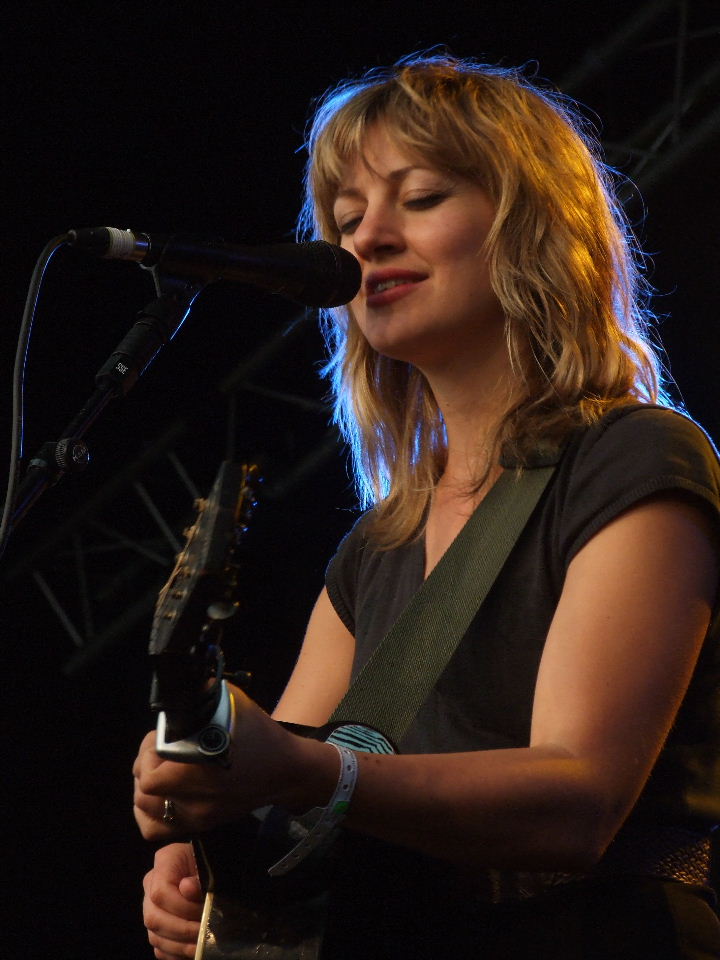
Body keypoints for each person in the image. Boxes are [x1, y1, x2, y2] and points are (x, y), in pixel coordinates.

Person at [133, 54, 720, 958]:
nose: (365, 239)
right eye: (346, 218)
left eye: (421, 197)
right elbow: (285, 791)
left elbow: (579, 800)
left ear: (531, 226)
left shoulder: (634, 457)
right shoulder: (378, 546)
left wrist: (296, 771)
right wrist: (207, 843)